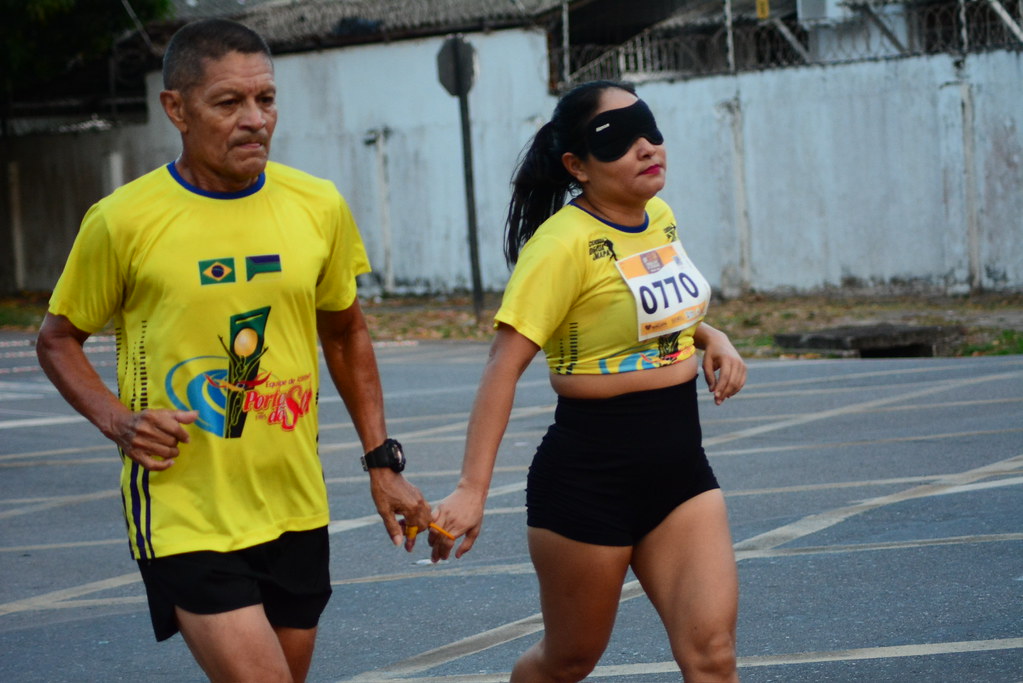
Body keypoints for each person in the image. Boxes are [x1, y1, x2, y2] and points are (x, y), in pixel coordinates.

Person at [35, 18, 431, 683]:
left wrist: (380, 460)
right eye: (229, 102)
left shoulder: (317, 205)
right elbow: (56, 338)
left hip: (294, 503)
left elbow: (345, 331)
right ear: (177, 109)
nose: (255, 119)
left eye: (266, 99)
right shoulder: (123, 219)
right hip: (185, 505)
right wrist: (119, 420)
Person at [428, 81, 747, 682]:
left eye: (650, 130)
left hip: (681, 474)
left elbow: (652, 310)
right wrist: (472, 489)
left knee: (714, 656)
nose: (647, 146)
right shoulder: (558, 246)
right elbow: (503, 365)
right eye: (621, 140)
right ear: (577, 164)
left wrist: (713, 337)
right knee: (570, 659)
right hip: (588, 481)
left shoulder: (659, 216)